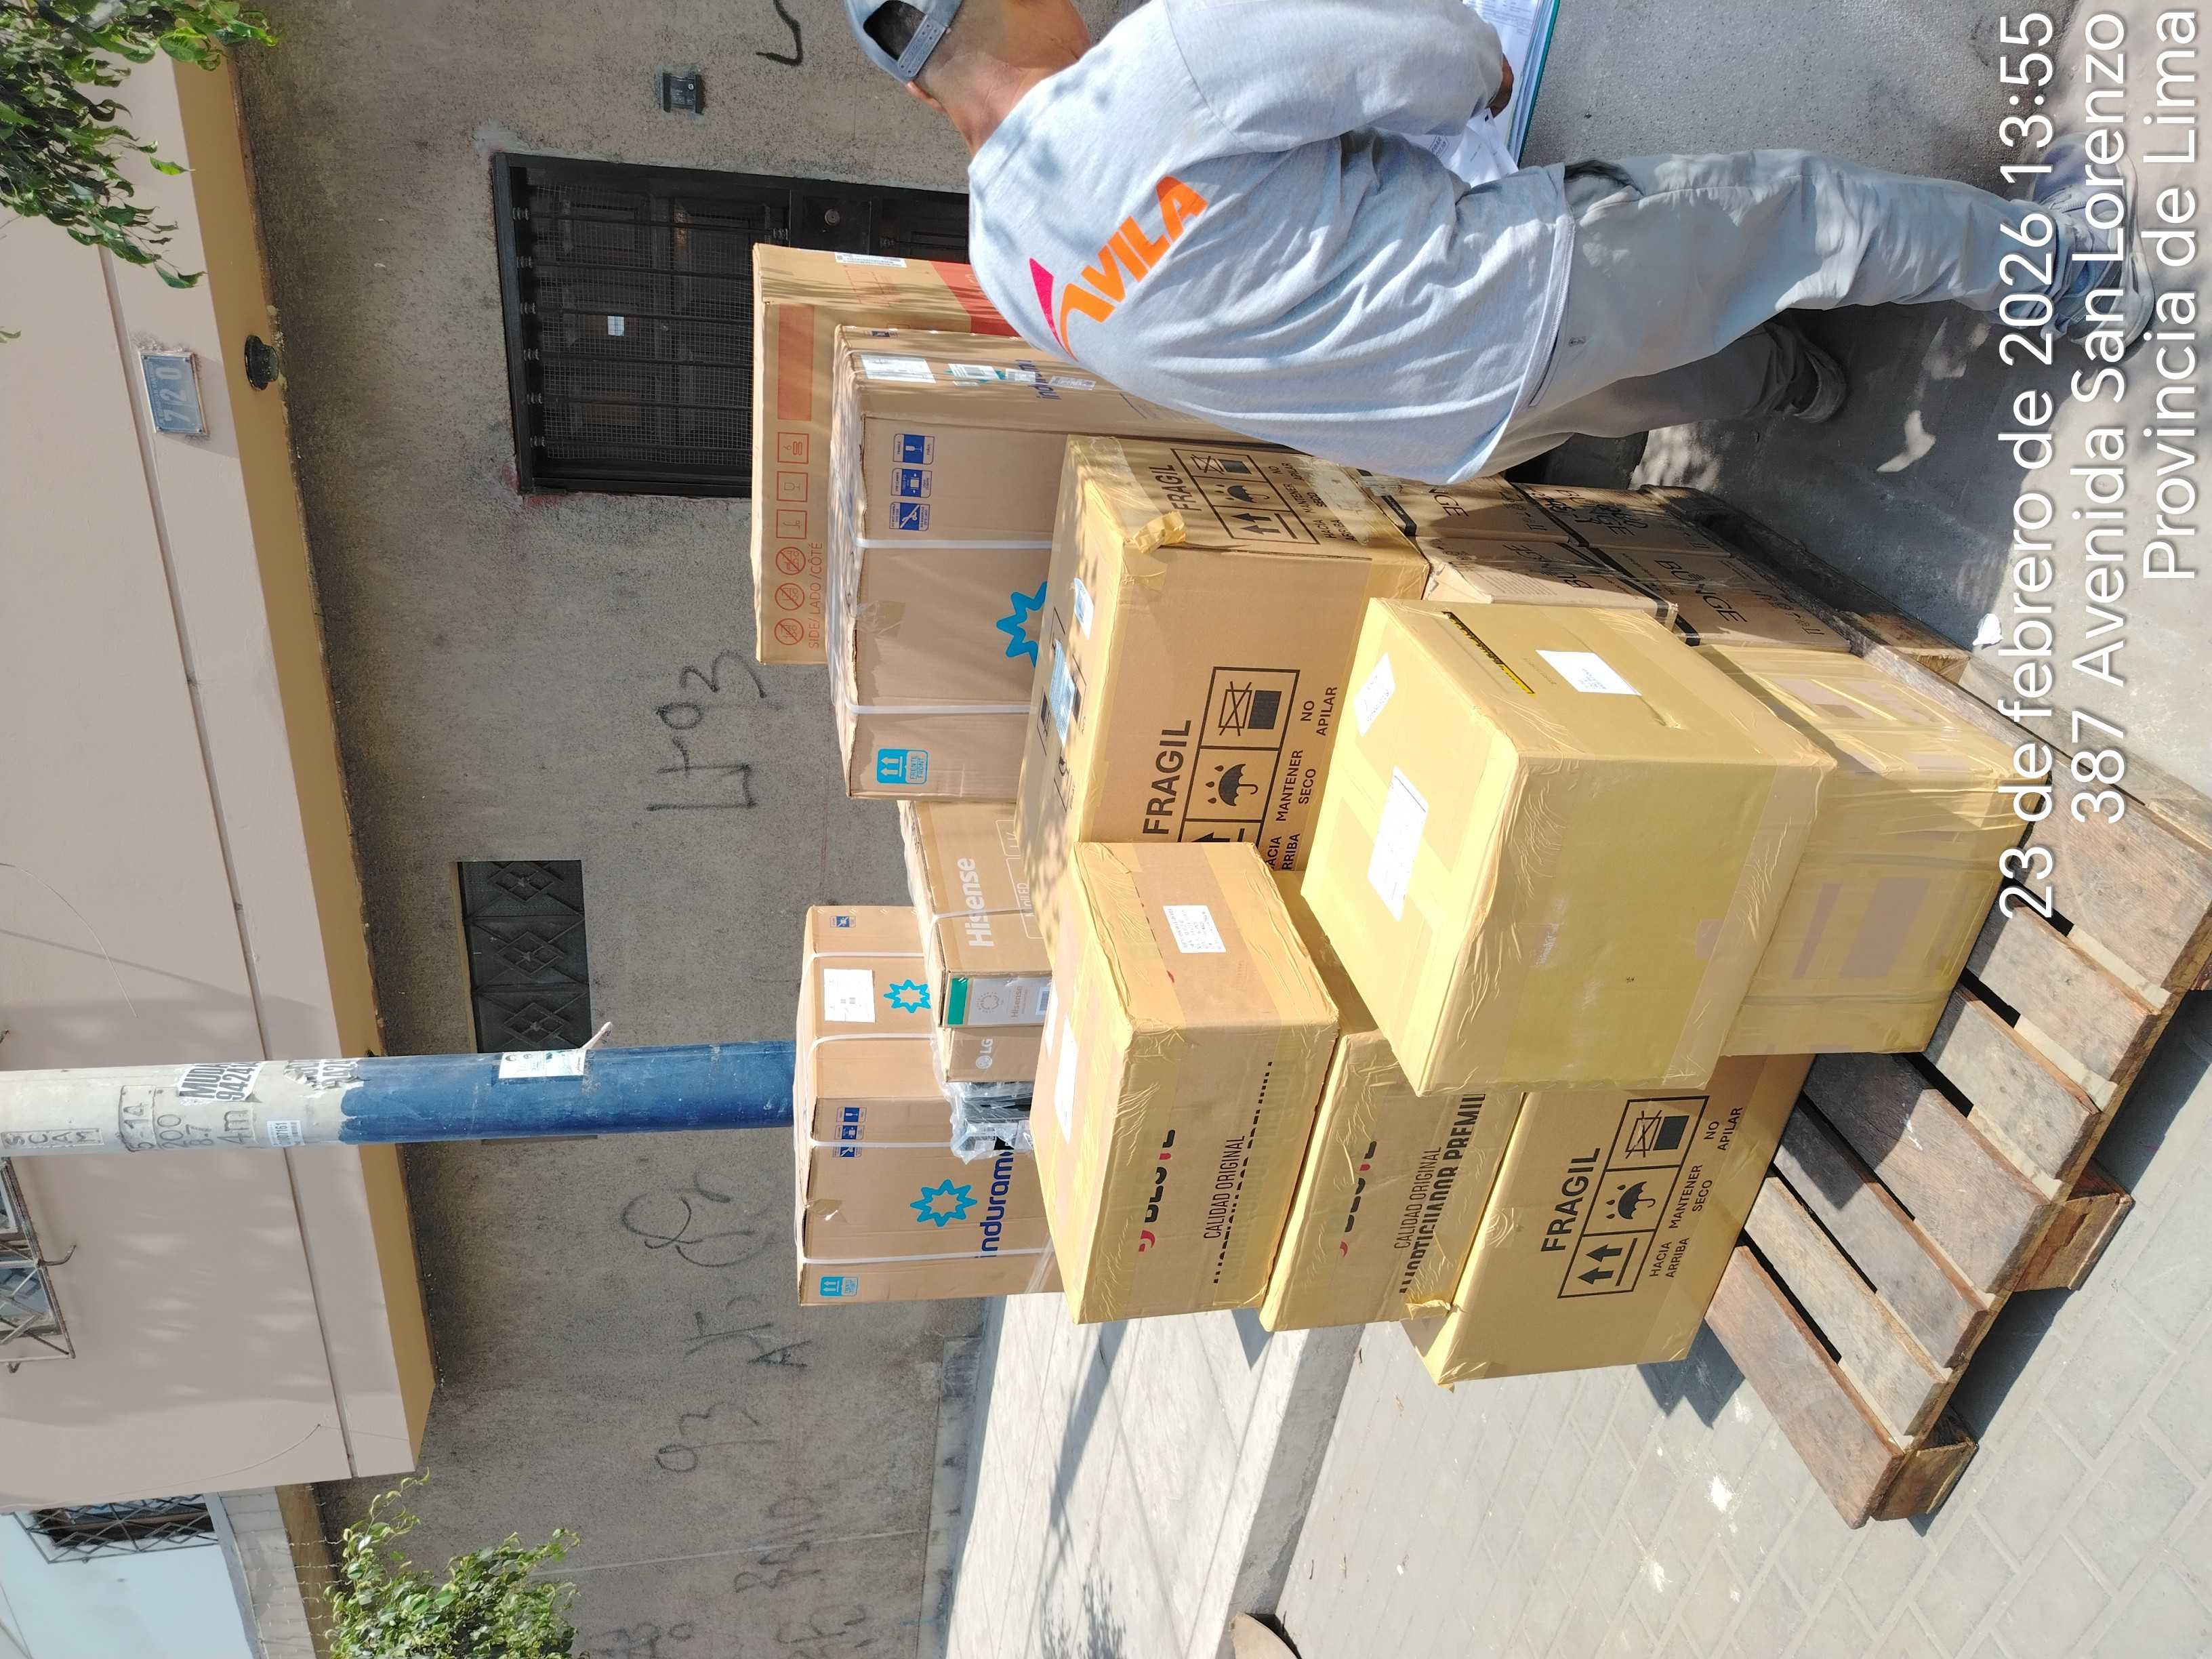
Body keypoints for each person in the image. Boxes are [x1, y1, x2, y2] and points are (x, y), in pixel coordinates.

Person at [842, 0, 2154, 485]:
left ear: (918, 94)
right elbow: (1448, 56)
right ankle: (2076, 273)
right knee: (1798, 215)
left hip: (1442, 437)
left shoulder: (1010, 264)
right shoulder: (1158, 64)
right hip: (1510, 295)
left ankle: (1801, 383)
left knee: (1658, 366)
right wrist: (1459, 88)